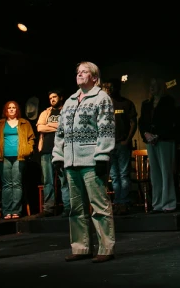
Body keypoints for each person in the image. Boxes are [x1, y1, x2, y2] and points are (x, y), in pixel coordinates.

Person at [52, 61, 116, 263]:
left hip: (91, 161)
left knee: (99, 206)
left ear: (95, 78)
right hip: (71, 162)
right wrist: (58, 155)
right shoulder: (70, 101)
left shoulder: (102, 98)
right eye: (78, 72)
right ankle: (81, 248)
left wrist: (102, 155)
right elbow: (60, 132)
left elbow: (106, 128)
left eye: (84, 72)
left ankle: (106, 248)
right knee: (76, 208)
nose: (79, 74)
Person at [139, 77, 178, 213]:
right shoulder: (146, 104)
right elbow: (142, 122)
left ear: (161, 86)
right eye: (151, 84)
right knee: (155, 174)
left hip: (165, 140)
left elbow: (170, 121)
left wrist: (158, 135)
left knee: (166, 172)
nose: (152, 87)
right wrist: (146, 134)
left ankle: (169, 203)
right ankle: (157, 204)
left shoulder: (168, 101)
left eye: (155, 84)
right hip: (150, 141)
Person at [0, 101, 35, 219]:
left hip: (19, 157)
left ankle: (16, 211)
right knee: (6, 184)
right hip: (3, 157)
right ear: (5, 110)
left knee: (16, 184)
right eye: (9, 108)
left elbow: (31, 138)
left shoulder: (24, 123)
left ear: (17, 110)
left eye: (13, 107)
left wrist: (28, 150)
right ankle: (7, 211)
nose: (11, 109)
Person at [102, 78, 138, 215]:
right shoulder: (103, 105)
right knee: (114, 176)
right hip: (109, 145)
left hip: (122, 143)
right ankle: (118, 201)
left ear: (117, 87)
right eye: (107, 87)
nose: (109, 89)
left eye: (111, 87)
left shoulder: (126, 103)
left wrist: (127, 140)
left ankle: (124, 201)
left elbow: (133, 122)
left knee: (123, 174)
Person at [36, 89, 70, 217]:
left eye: (54, 97)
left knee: (64, 180)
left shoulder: (66, 110)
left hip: (63, 150)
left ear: (60, 97)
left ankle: (67, 207)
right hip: (46, 149)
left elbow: (67, 127)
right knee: (47, 180)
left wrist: (49, 125)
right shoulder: (46, 112)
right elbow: (40, 127)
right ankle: (49, 208)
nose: (52, 100)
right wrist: (57, 126)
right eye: (50, 98)